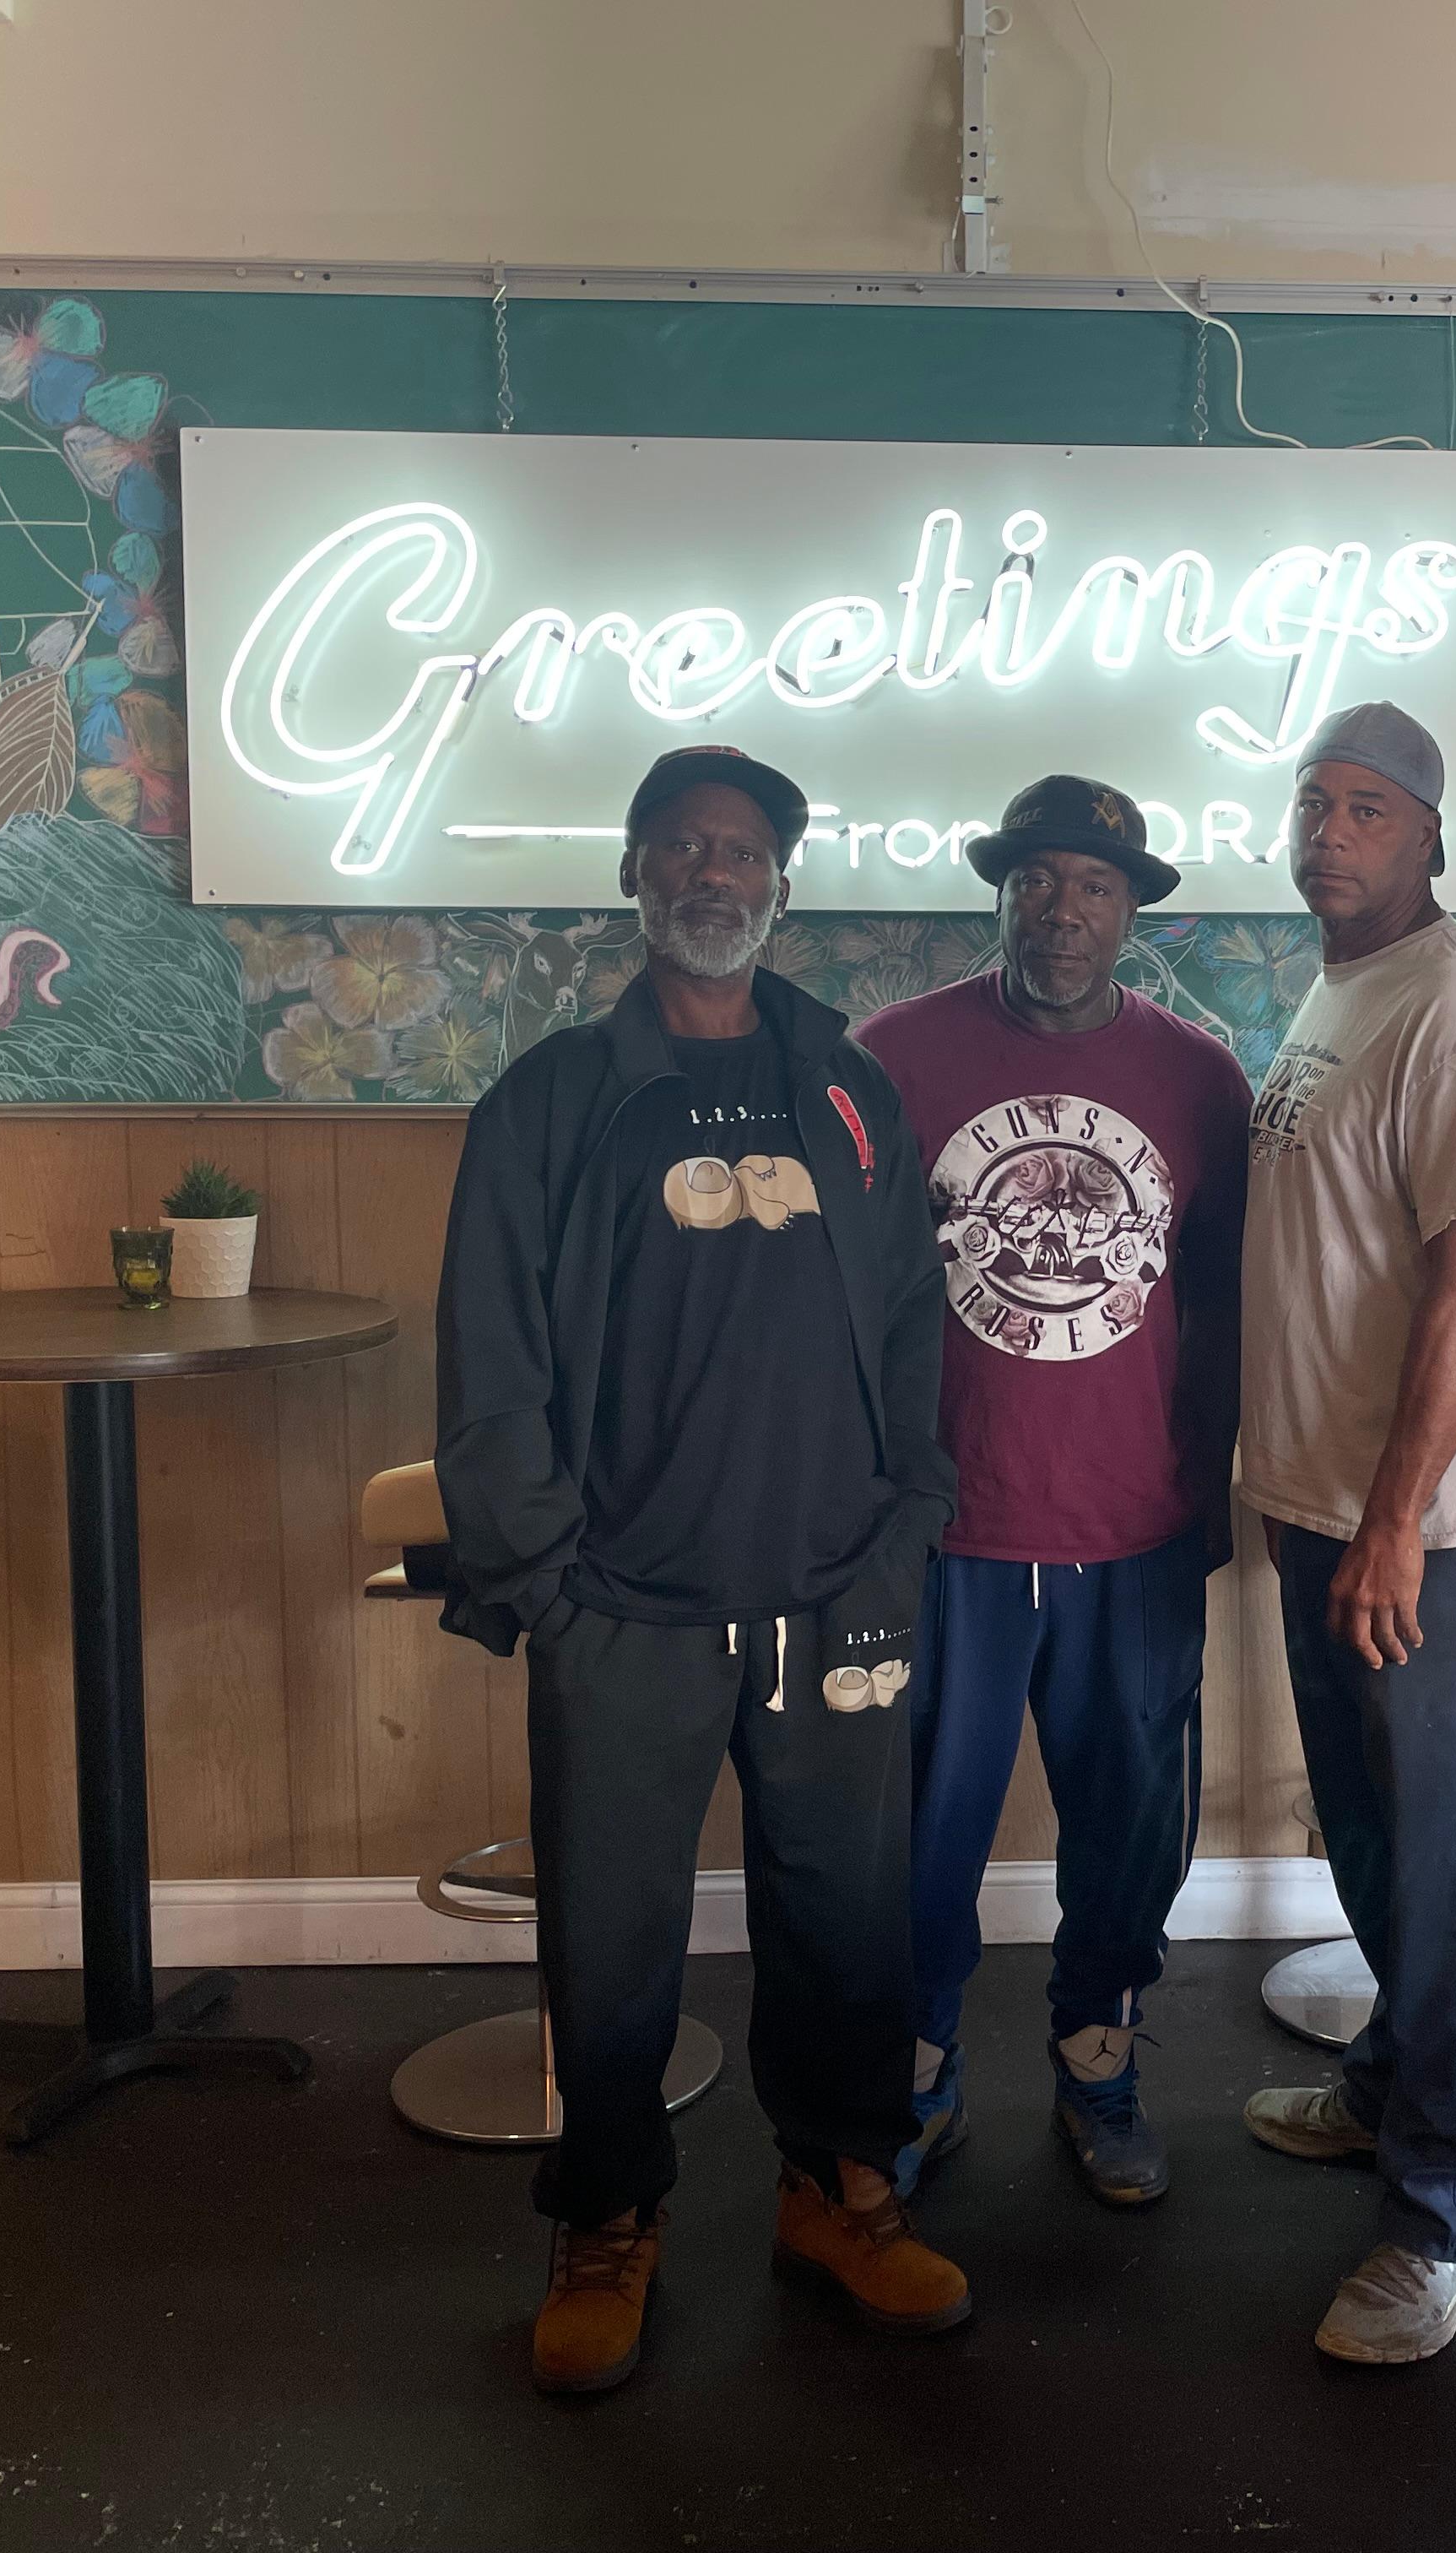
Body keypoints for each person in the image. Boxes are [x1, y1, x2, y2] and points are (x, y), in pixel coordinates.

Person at [434, 743, 972, 2396]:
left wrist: (901, 1528)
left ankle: (841, 2190)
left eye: (743, 852)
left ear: (783, 886)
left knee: (847, 1919)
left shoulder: (851, 1092)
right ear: (634, 873)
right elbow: (493, 1356)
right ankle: (607, 2220)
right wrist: (545, 1577)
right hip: (626, 1613)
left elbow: (905, 1322)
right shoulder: (551, 1102)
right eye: (682, 847)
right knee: (612, 1936)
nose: (712, 875)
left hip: (836, 1597)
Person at [853, 774, 1251, 2209]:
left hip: (1128, 1536)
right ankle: (917, 2069)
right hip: (945, 1536)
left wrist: (1198, 1491)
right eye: (1035, 879)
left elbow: (1226, 1308)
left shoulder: (1203, 1080)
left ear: (1132, 907)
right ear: (1001, 892)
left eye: (1092, 884)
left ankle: (1100, 2061)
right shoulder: (890, 1058)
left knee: (1130, 1834)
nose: (1061, 908)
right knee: (915, 1845)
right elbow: (842, 1304)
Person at [1236, 701, 1456, 2366]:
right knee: (1372, 1840)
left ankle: (1449, 2219)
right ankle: (1390, 2091)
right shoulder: (1345, 990)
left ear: (1433, 841)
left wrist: (1395, 1524)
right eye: (1312, 804)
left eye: (1366, 810)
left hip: (1433, 1536)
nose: (1328, 834)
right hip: (1325, 1512)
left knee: (1452, 1873)